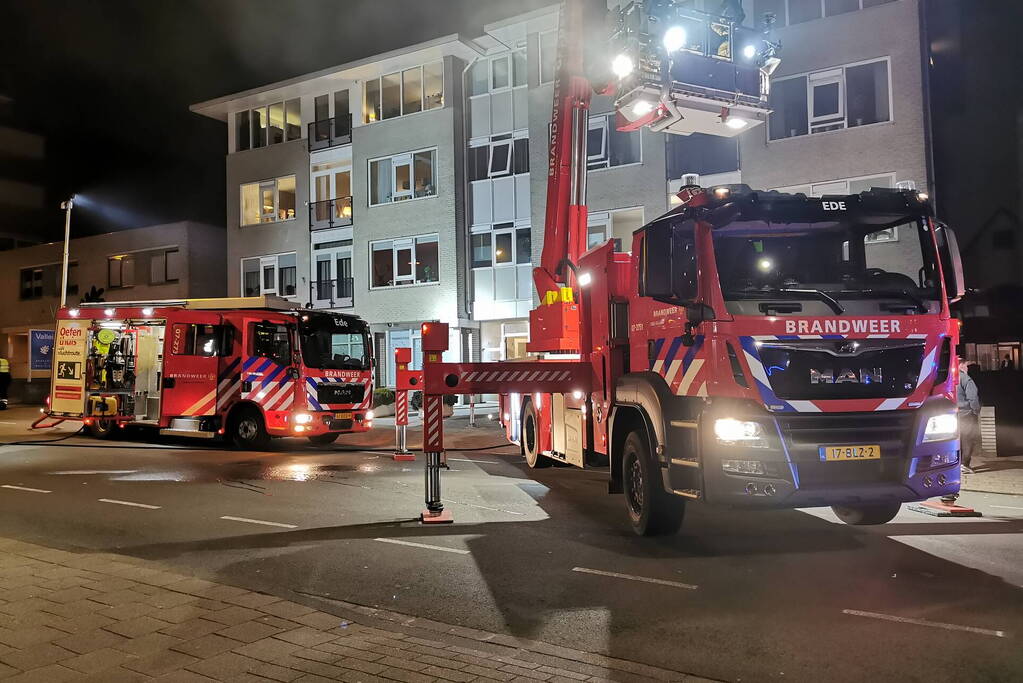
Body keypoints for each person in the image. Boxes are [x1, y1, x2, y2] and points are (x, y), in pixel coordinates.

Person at [957, 355, 981, 474]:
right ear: (961, 365)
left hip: (954, 415)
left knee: (958, 440)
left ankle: (957, 463)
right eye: (966, 365)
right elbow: (973, 397)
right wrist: (976, 411)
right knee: (968, 439)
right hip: (967, 414)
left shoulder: (950, 378)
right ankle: (965, 464)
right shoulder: (966, 379)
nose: (967, 368)